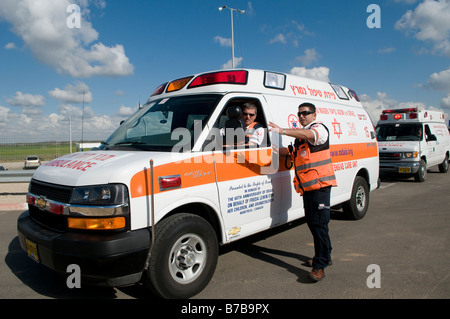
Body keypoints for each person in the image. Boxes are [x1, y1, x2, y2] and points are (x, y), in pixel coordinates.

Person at [268, 102, 337, 282]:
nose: (302, 116)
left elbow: (310, 135)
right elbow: (292, 154)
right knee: (314, 224)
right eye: (299, 114)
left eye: (306, 113)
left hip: (320, 186)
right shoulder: (300, 139)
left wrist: (282, 131)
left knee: (319, 224)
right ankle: (326, 256)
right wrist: (272, 151)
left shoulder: (319, 130)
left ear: (314, 115)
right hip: (308, 188)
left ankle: (319, 266)